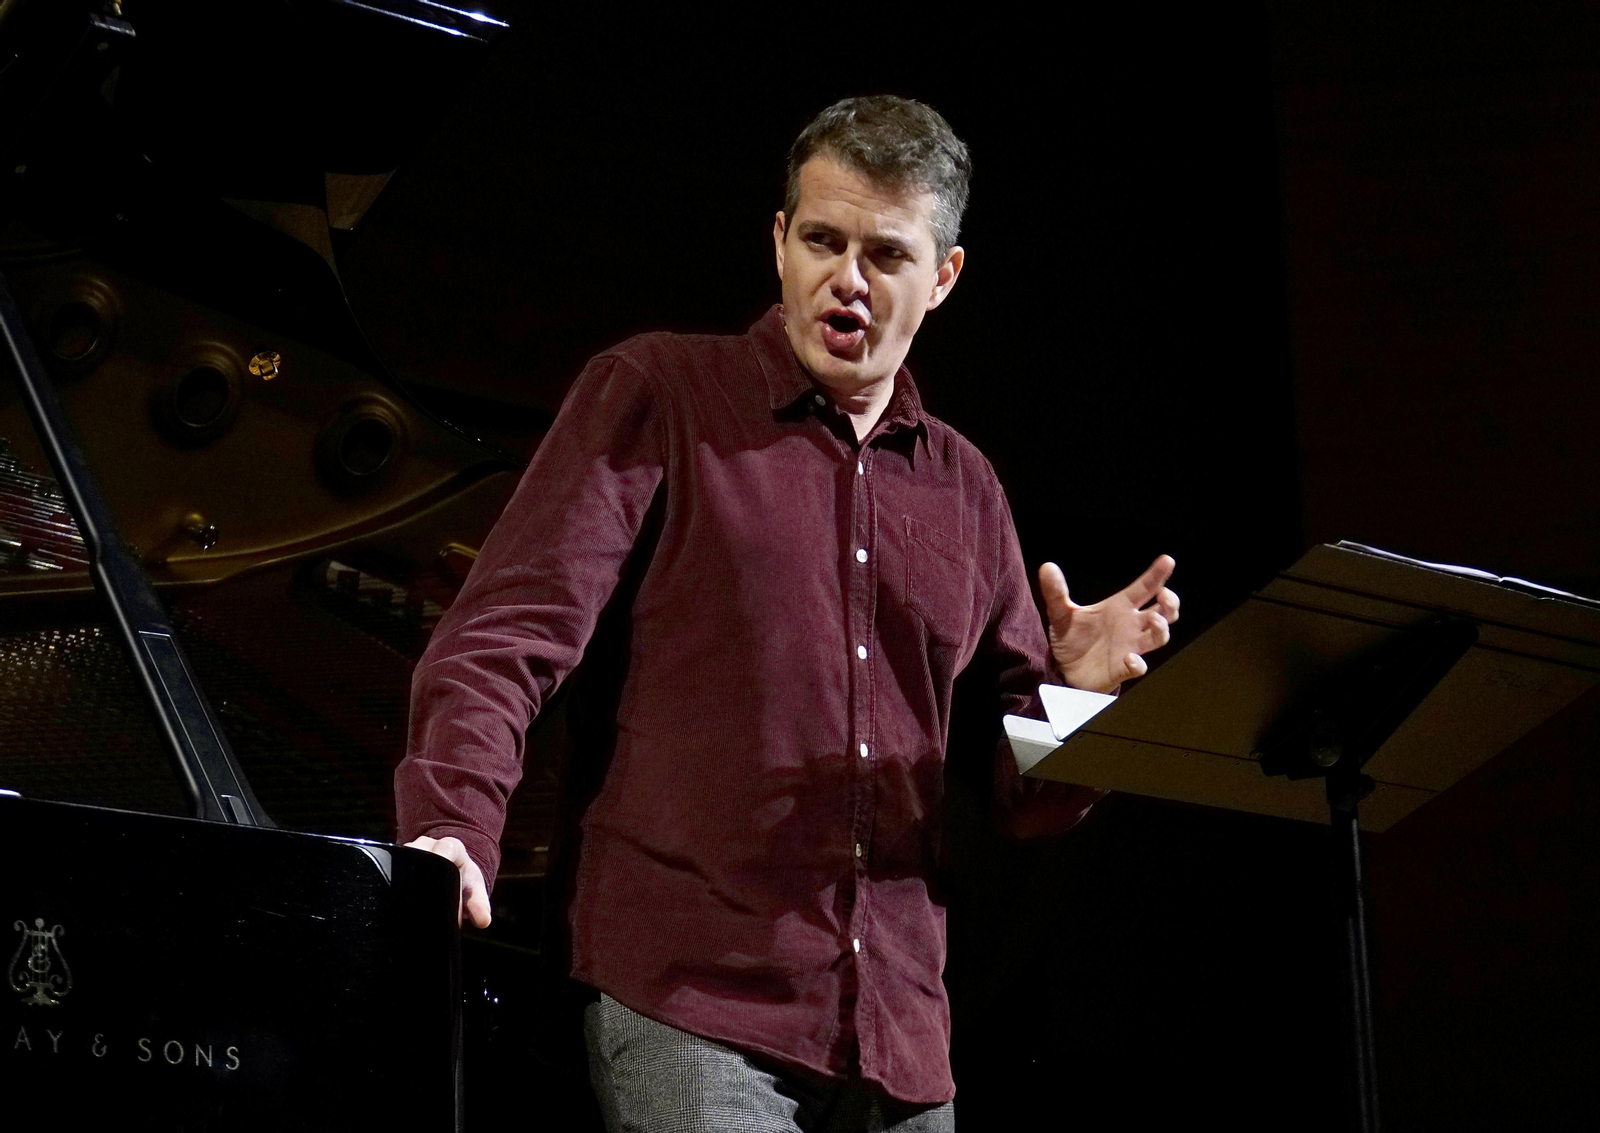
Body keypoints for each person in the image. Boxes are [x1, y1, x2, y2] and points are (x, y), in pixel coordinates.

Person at [396, 95, 1179, 1132]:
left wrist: (1076, 697)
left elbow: (1018, 799)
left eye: (885, 255)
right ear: (778, 242)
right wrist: (452, 821)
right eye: (820, 239)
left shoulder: (965, 488)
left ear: (941, 277)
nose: (845, 279)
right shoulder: (661, 392)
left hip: (899, 1038)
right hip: (690, 997)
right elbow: (507, 635)